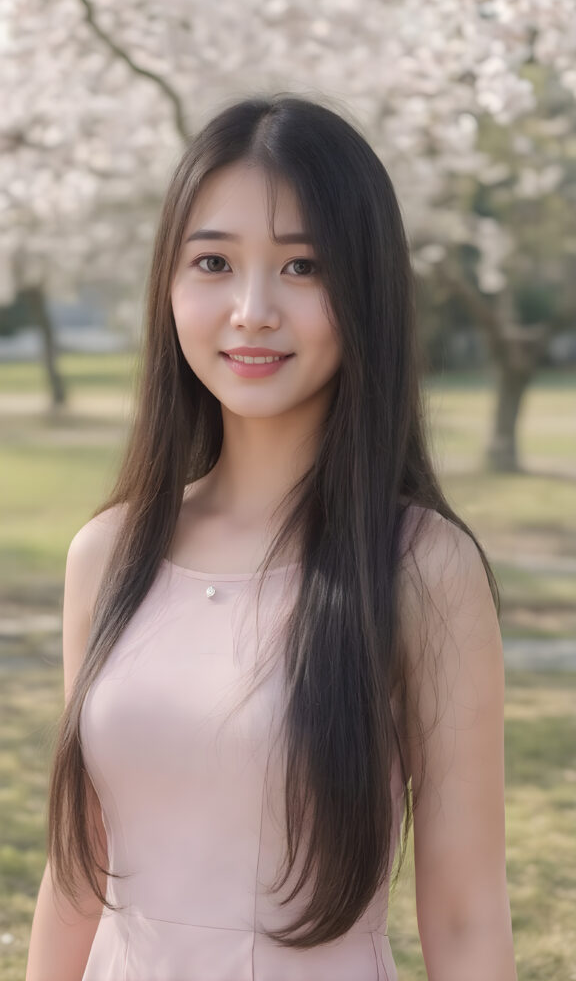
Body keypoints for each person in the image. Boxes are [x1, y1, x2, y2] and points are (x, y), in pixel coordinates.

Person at [26, 94, 517, 981]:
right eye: (213, 262)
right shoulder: (106, 552)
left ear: (363, 289)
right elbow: (77, 872)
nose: (252, 310)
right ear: (169, 288)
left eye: (302, 268)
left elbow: (465, 910)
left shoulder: (419, 566)